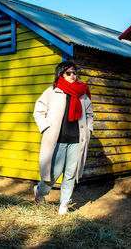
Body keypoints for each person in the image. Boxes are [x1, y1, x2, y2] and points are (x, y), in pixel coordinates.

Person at [33, 60, 94, 215]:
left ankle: (64, 204)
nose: (73, 75)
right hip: (58, 140)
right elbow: (38, 110)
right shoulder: (52, 91)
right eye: (69, 72)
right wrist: (45, 127)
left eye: (74, 72)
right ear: (61, 74)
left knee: (71, 173)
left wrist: (88, 130)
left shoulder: (82, 94)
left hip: (76, 139)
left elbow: (89, 114)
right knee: (53, 173)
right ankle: (40, 191)